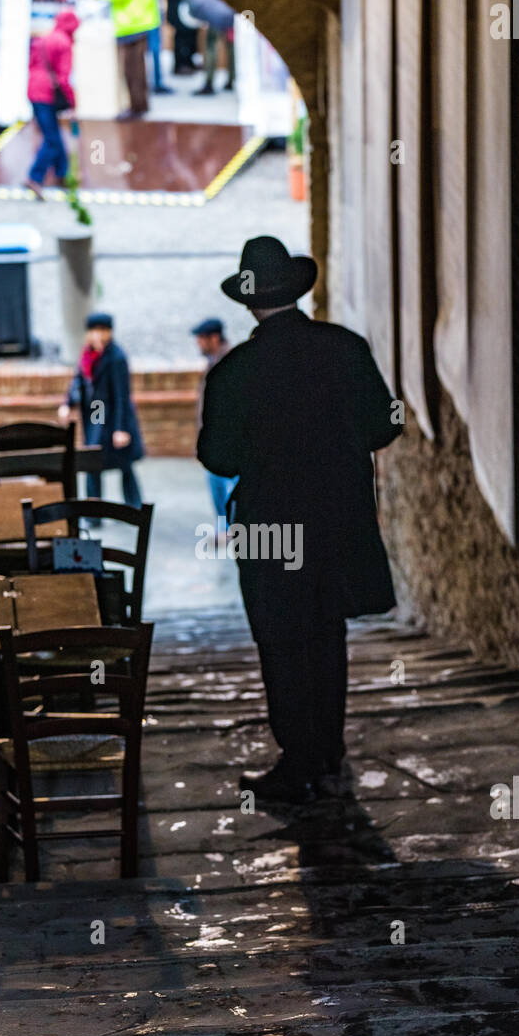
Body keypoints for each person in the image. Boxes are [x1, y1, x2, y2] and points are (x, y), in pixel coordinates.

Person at [197, 236, 401, 804]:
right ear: (294, 291)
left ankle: (300, 758)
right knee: (326, 634)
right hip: (337, 520)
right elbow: (385, 426)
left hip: (270, 529)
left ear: (248, 302)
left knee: (281, 642)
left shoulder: (233, 373)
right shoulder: (345, 348)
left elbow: (220, 458)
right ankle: (328, 750)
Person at [58, 312, 145, 508]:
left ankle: (135, 507)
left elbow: (122, 395)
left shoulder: (116, 357)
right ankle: (93, 510)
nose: (98, 336)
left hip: (113, 415)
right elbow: (78, 380)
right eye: (95, 331)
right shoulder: (88, 355)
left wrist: (121, 428)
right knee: (93, 459)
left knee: (124, 464)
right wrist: (68, 403)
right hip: (97, 413)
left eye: (103, 331)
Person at [95, 0, 161, 119]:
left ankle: (136, 107)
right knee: (138, 67)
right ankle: (140, 104)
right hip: (139, 21)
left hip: (131, 23)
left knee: (132, 70)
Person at [24, 10, 78, 198]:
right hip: (46, 94)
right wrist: (73, 104)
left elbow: (32, 64)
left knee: (52, 133)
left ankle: (62, 173)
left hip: (33, 90)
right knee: (52, 139)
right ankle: (34, 177)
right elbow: (64, 78)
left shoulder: (46, 38)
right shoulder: (64, 43)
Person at [192, 318, 236, 532]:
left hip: (226, 440)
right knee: (217, 486)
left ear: (214, 338)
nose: (198, 343)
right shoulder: (213, 362)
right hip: (214, 439)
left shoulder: (229, 363)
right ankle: (226, 527)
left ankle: (232, 528)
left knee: (228, 488)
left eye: (201, 339)